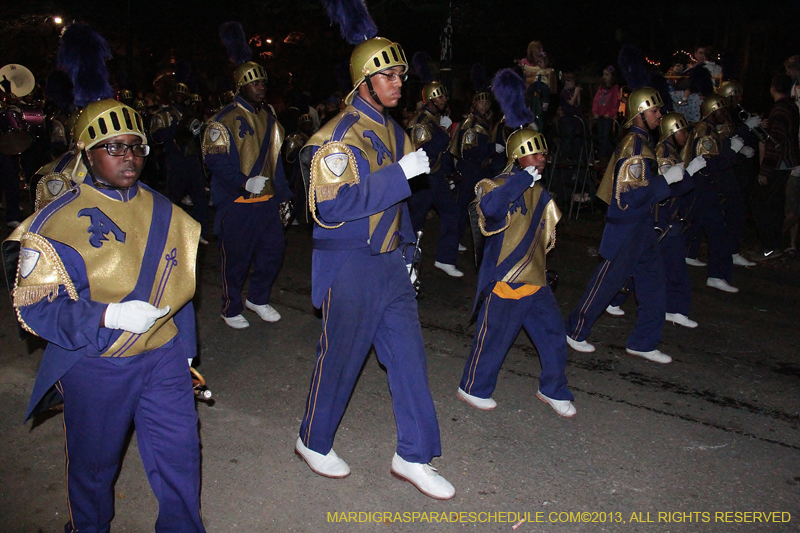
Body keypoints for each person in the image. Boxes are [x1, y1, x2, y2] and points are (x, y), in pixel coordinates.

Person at [3, 98, 206, 533]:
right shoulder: (53, 225)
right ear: (86, 154)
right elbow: (36, 308)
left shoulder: (169, 212)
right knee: (94, 467)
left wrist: (186, 351)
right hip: (97, 362)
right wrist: (108, 315)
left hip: (164, 356)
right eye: (113, 147)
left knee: (181, 454)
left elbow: (181, 293)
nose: (129, 156)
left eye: (136, 146)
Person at [295, 36, 455, 500]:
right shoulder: (337, 137)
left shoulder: (392, 128)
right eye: (389, 75)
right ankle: (312, 439)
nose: (399, 83)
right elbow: (332, 207)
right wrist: (397, 174)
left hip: (389, 263)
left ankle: (414, 454)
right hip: (349, 262)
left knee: (409, 360)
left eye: (402, 75)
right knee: (341, 359)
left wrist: (409, 252)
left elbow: (401, 204)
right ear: (364, 81)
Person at [458, 125, 575, 417]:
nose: (542, 157)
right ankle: (473, 388)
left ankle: (553, 389)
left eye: (544, 152)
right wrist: (520, 181)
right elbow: (492, 209)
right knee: (494, 339)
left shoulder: (540, 190)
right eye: (534, 152)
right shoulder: (495, 184)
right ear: (517, 155)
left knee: (554, 337)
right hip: (506, 280)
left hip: (535, 279)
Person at [565, 87, 683, 364]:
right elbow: (626, 198)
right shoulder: (636, 145)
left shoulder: (642, 142)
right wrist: (665, 181)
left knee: (654, 285)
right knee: (607, 282)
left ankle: (644, 342)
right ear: (640, 112)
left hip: (642, 226)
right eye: (654, 110)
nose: (659, 115)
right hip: (629, 226)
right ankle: (574, 330)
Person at [202, 49, 292, 329]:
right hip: (237, 201)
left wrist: (284, 196)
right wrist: (243, 182)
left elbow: (276, 161)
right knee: (237, 259)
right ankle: (230, 308)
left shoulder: (270, 117)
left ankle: (258, 298)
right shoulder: (222, 120)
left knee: (273, 251)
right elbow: (215, 161)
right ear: (241, 86)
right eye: (255, 82)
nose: (261, 87)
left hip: (266, 201)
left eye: (263, 82)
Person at [679, 93, 746, 291]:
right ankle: (716, 275)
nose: (725, 113)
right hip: (703, 188)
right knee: (716, 233)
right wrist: (731, 152)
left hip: (704, 188)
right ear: (712, 111)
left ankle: (712, 271)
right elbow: (708, 164)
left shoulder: (709, 129)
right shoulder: (705, 131)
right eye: (721, 110)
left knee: (692, 228)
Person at [407, 81, 462, 277]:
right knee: (414, 222)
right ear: (430, 99)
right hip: (423, 179)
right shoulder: (421, 122)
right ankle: (404, 261)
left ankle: (445, 259)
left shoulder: (436, 119)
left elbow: (443, 154)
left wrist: (449, 174)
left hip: (437, 177)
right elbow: (424, 151)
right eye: (439, 96)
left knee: (451, 213)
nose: (444, 99)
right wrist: (443, 133)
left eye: (444, 96)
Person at [150, 82, 210, 243]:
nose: (180, 97)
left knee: (200, 198)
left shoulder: (195, 114)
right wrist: (175, 130)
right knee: (173, 198)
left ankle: (201, 231)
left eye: (183, 94)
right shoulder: (164, 114)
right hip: (176, 160)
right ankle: (168, 233)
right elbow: (155, 136)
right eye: (177, 93)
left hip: (193, 160)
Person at [752, 74, 800, 259]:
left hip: (778, 165)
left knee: (762, 205)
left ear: (773, 87)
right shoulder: (791, 107)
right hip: (786, 163)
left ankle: (769, 247)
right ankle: (773, 246)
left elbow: (775, 143)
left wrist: (764, 171)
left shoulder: (780, 109)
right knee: (774, 206)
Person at [592, 66, 621, 161]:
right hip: (600, 116)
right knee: (600, 137)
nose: (604, 77)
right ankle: (602, 156)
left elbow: (615, 102)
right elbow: (596, 100)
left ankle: (609, 157)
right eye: (603, 74)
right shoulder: (601, 88)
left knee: (606, 137)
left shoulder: (615, 88)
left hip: (608, 117)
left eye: (607, 75)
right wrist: (595, 111)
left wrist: (611, 113)